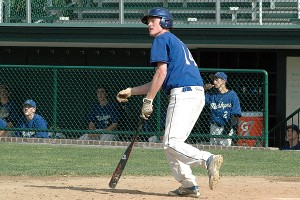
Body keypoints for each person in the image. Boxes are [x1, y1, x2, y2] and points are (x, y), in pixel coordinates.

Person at [116, 8, 223, 198]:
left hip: (183, 94)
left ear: (165, 22)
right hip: (194, 94)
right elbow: (160, 79)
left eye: (153, 20)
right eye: (148, 21)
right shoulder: (176, 42)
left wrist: (148, 100)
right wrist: (132, 91)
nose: (149, 24)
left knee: (171, 143)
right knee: (171, 143)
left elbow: (161, 73)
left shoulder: (161, 39)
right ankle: (188, 185)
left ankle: (207, 159)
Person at [204, 72, 242, 147]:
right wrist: (203, 89)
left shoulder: (232, 95)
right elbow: (199, 100)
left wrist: (227, 130)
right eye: (213, 80)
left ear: (224, 81)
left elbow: (235, 114)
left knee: (226, 152)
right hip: (214, 127)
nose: (214, 82)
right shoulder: (211, 95)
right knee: (213, 151)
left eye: (216, 79)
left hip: (226, 126)